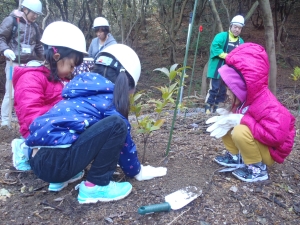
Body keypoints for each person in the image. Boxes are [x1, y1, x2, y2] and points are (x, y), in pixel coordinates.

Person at [24, 44, 167, 204]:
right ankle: (96, 185)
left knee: (82, 129)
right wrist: (136, 170)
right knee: (117, 124)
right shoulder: (108, 100)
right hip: (57, 164)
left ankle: (62, 178)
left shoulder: (79, 90)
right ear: (125, 82)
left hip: (36, 160)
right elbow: (123, 140)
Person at [206, 43, 295, 182]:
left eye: (230, 88)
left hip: (271, 151)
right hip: (261, 145)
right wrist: (230, 117)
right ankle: (235, 156)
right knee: (227, 124)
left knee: (240, 130)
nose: (228, 93)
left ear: (241, 86)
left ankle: (257, 168)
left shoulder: (267, 103)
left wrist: (242, 120)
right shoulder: (245, 99)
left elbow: (276, 137)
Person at [12, 21, 86, 170]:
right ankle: (24, 148)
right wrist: (63, 118)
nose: (72, 71)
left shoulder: (62, 80)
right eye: (71, 66)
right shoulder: (31, 78)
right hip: (38, 131)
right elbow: (31, 115)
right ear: (57, 56)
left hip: (58, 126)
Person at [0, 0, 44, 127]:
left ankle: (23, 121)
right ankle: (5, 121)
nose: (35, 16)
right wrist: (5, 50)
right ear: (25, 10)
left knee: (26, 93)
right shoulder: (12, 20)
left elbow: (38, 46)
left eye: (37, 14)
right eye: (34, 13)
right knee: (11, 93)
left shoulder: (35, 26)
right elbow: (1, 37)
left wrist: (45, 60)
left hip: (29, 65)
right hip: (13, 63)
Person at [204, 15, 245, 114]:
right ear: (231, 26)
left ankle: (217, 107)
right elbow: (215, 48)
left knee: (223, 91)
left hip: (230, 71)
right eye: (235, 27)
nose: (237, 30)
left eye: (239, 28)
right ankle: (208, 106)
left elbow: (242, 55)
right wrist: (227, 56)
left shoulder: (241, 42)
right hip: (217, 68)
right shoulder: (221, 36)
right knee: (214, 88)